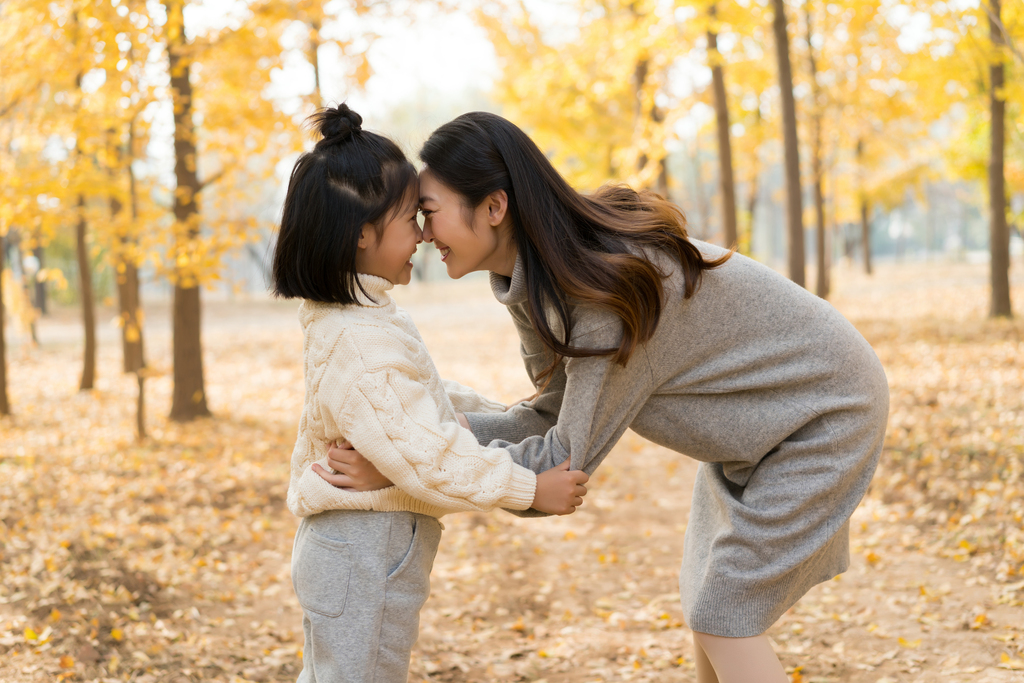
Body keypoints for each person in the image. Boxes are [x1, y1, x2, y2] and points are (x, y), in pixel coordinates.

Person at [327, 112, 890, 682]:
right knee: (711, 601)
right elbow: (550, 411)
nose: (422, 235)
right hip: (769, 426)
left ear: (494, 208)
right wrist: (436, 438)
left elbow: (563, 460)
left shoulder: (600, 294)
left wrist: (406, 467)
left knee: (725, 613)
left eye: (429, 213)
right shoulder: (543, 281)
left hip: (823, 416)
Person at [273, 104, 589, 683]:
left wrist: (494, 416)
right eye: (409, 218)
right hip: (362, 554)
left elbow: (418, 398)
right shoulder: (359, 338)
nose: (422, 233)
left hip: (364, 552)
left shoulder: (357, 317)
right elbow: (423, 454)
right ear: (364, 234)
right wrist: (527, 488)